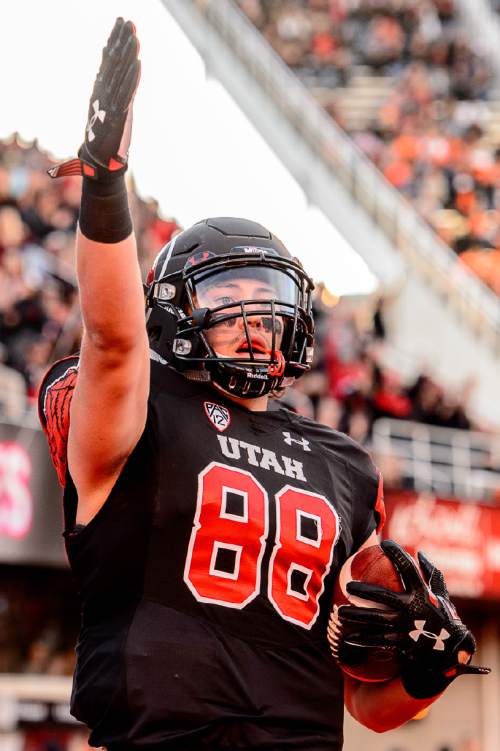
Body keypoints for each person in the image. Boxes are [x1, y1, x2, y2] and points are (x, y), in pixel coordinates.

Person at [37, 18, 489, 751]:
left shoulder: (343, 465)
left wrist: (429, 670)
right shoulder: (142, 409)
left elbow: (367, 705)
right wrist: (106, 183)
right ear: (177, 312)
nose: (256, 320)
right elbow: (111, 336)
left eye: (269, 300)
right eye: (228, 299)